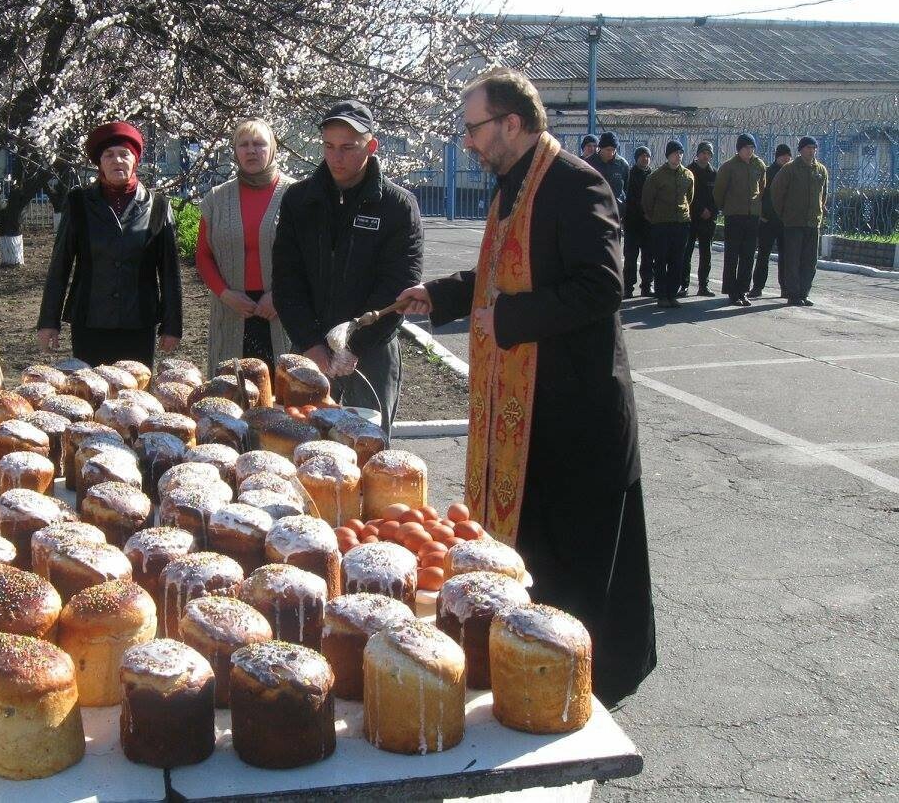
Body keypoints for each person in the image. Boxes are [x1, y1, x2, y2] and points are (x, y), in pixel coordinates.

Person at [397, 67, 655, 706]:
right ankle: (533, 675)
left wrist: (506, 320)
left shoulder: (573, 182)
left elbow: (601, 286)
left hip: (573, 417)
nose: (469, 141)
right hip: (528, 416)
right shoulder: (513, 186)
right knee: (534, 564)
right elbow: (499, 275)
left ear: (512, 123)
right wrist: (444, 295)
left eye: (475, 128)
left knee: (577, 573)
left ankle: (581, 695)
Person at [272, 100, 423, 436]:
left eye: (347, 148)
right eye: (328, 147)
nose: (336, 158)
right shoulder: (299, 200)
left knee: (366, 450)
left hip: (371, 352)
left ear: (371, 146)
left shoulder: (397, 206)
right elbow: (286, 277)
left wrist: (355, 347)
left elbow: (399, 286)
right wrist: (311, 343)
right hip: (309, 346)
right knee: (304, 445)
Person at [37, 121, 183, 366]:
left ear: (135, 160)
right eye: (109, 155)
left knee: (136, 397)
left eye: (124, 154)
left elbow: (169, 273)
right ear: (99, 163)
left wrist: (172, 326)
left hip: (139, 322)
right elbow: (59, 266)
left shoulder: (158, 206)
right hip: (90, 322)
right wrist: (48, 322)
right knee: (91, 393)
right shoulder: (78, 204)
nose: (117, 161)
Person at [196, 119, 297, 375]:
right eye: (244, 144)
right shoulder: (216, 199)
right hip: (231, 309)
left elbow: (312, 257)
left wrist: (281, 296)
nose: (251, 150)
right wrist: (226, 294)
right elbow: (203, 255)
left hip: (281, 310)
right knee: (231, 391)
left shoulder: (297, 195)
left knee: (284, 391)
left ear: (273, 148)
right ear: (235, 151)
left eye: (259, 144)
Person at [771, 136, 829, 307]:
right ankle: (793, 294)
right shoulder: (790, 169)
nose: (812, 151)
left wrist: (819, 210)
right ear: (801, 149)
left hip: (812, 222)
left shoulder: (821, 170)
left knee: (810, 261)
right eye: (808, 147)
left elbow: (823, 195)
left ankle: (804, 292)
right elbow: (776, 191)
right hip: (794, 222)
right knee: (793, 259)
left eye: (814, 148)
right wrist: (784, 213)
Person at [713, 133, 767, 306]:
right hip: (734, 216)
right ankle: (731, 290)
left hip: (752, 216)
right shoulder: (729, 167)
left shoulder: (758, 165)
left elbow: (762, 188)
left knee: (748, 255)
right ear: (739, 149)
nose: (749, 151)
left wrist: (757, 207)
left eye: (752, 148)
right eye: (746, 148)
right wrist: (726, 208)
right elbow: (719, 191)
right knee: (732, 255)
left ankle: (743, 290)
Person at [642, 141, 695, 308]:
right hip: (662, 223)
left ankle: (672, 294)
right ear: (668, 155)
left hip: (681, 222)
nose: (678, 156)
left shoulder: (687, 175)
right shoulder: (657, 176)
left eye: (680, 153)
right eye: (674, 153)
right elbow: (647, 200)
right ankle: (661, 294)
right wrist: (654, 218)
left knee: (677, 260)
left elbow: (690, 197)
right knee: (661, 259)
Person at [750, 143, 792, 299]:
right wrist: (761, 214)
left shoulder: (791, 172)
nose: (786, 159)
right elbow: (759, 194)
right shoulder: (768, 172)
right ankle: (757, 287)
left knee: (785, 256)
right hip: (768, 220)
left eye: (788, 156)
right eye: (783, 156)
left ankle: (785, 288)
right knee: (763, 255)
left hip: (786, 221)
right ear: (777, 157)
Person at [682, 141, 718, 296]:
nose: (705, 156)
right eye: (703, 152)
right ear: (697, 154)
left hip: (708, 219)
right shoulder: (689, 171)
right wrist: (699, 210)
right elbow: (687, 196)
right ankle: (683, 285)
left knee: (706, 254)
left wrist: (711, 211)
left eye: (708, 153)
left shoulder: (714, 173)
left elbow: (717, 196)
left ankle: (704, 285)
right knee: (686, 252)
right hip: (691, 218)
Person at [623, 146, 653, 297]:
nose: (645, 158)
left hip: (649, 224)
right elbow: (629, 198)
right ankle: (628, 287)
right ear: (636, 158)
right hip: (633, 222)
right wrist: (642, 212)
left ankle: (647, 285)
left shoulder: (653, 175)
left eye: (647, 156)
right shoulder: (629, 175)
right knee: (630, 257)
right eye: (642, 156)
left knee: (648, 256)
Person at [587, 132, 630, 222]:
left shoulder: (622, 165)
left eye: (613, 150)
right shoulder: (589, 163)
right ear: (600, 148)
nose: (611, 153)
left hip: (615, 212)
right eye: (608, 150)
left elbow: (627, 188)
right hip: (594, 211)